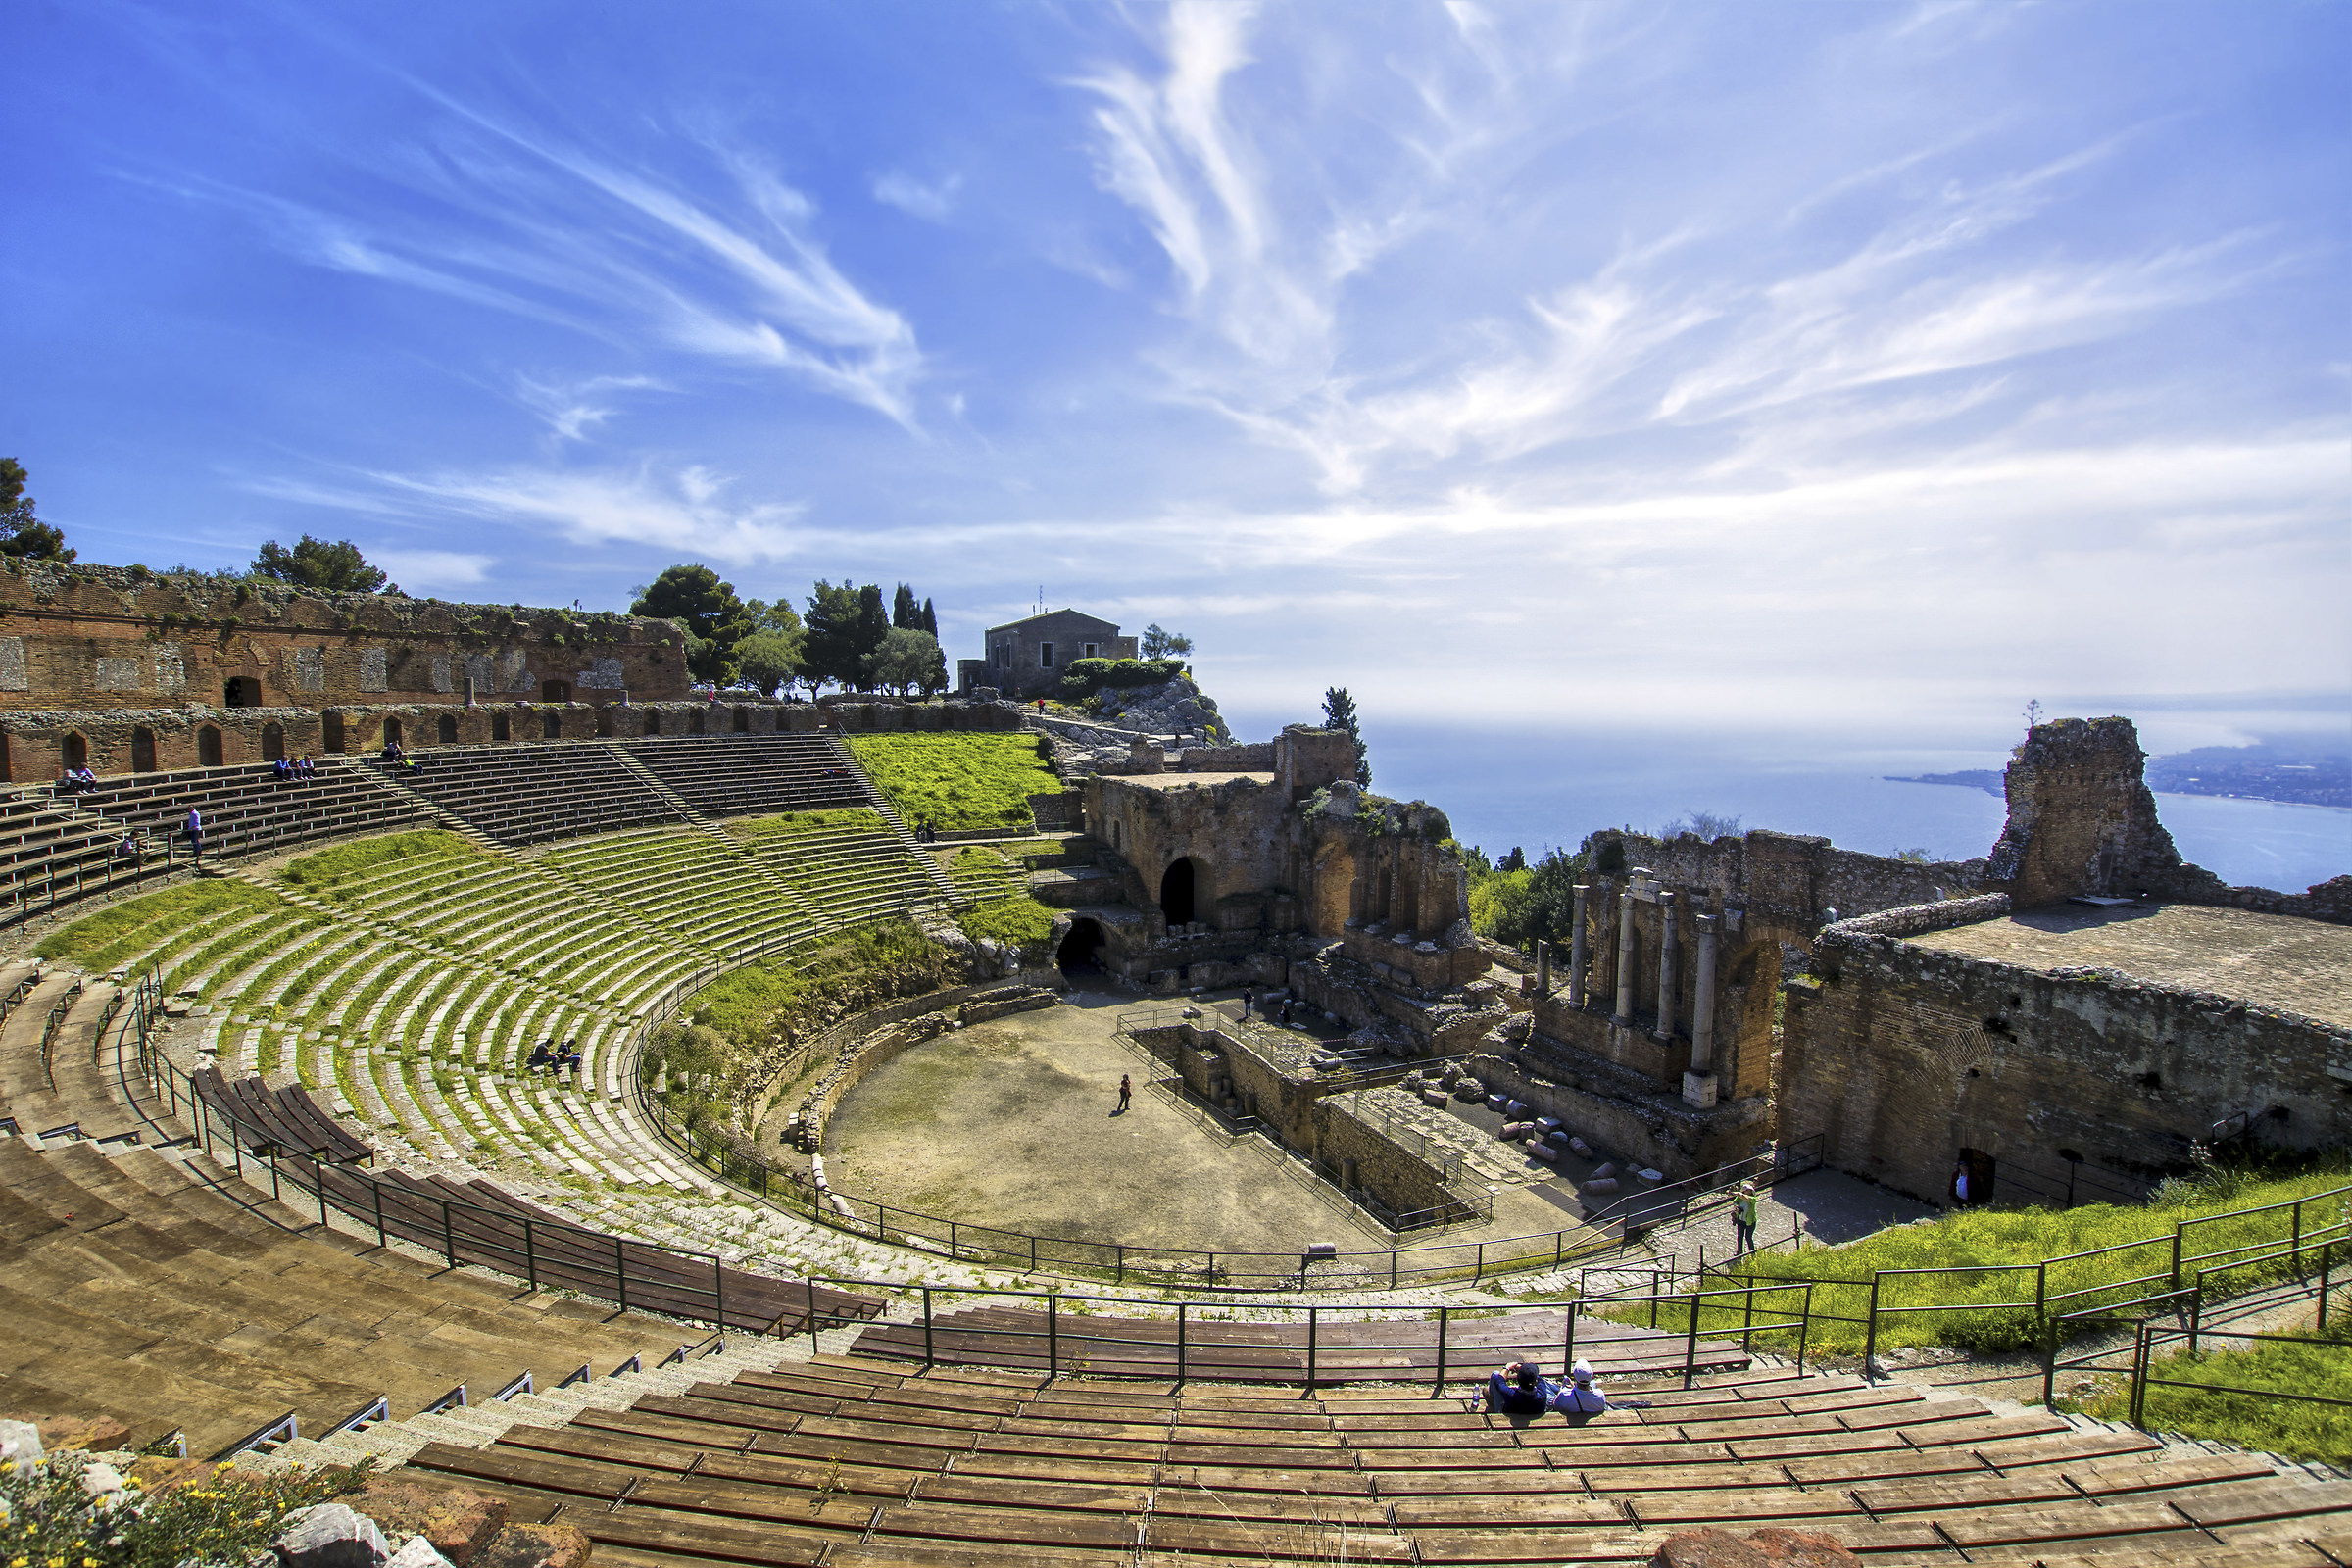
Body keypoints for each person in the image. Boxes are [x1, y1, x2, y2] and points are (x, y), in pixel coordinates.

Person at [1554, 1358, 1652, 1415]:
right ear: (1591, 1376)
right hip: (1590, 1404)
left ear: (1575, 1376)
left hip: (1575, 1407)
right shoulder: (1600, 1394)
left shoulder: (1564, 1395)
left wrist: (1563, 1389)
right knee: (1593, 1385)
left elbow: (1556, 1405)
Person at [1482, 1360, 1556, 1416]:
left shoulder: (1510, 1394)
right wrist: (1526, 1372)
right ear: (1535, 1381)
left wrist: (1507, 1367)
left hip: (1508, 1412)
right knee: (1546, 1384)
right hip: (1533, 1411)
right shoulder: (1542, 1395)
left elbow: (1499, 1380)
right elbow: (1538, 1379)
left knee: (1495, 1374)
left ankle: (1492, 1402)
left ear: (1517, 1379)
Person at [1734, 1182, 1759, 1256]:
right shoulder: (1739, 1198)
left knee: (1748, 1237)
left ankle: (1752, 1253)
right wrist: (1737, 1207)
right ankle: (1740, 1251)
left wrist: (1739, 1194)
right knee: (1740, 1236)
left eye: (1750, 1191)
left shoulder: (1753, 1198)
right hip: (1741, 1220)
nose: (1749, 1192)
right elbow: (1735, 1202)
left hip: (1750, 1222)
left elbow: (1746, 1198)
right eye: (1748, 1190)